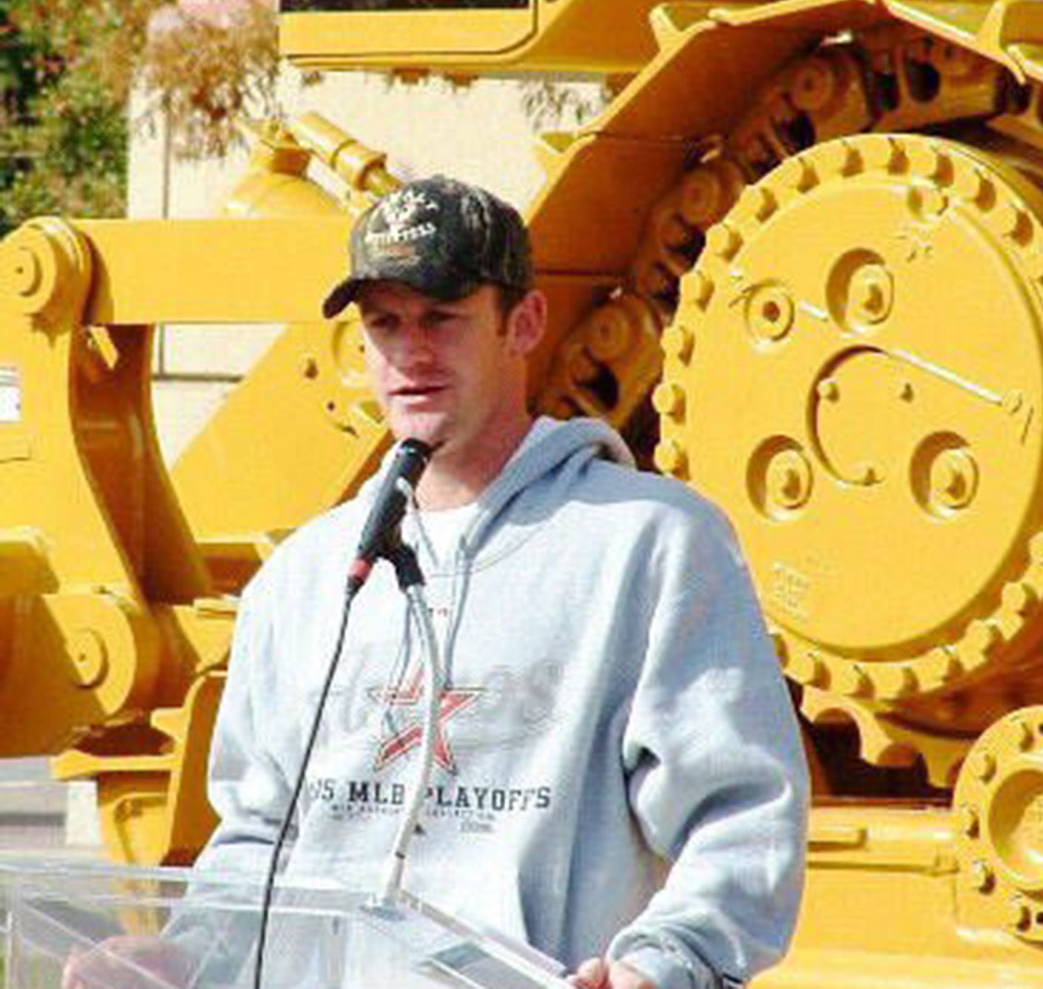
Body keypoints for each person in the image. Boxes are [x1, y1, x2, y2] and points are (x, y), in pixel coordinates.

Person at [68, 176, 809, 989]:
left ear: (521, 323)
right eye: (385, 323)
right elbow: (259, 834)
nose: (411, 353)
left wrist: (664, 964)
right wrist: (183, 957)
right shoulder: (306, 576)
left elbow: (742, 816)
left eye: (442, 318)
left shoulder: (653, 545)